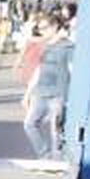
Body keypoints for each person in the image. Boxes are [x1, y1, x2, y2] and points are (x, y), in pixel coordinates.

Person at [22, 12, 74, 160]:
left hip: (58, 92)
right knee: (29, 124)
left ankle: (57, 161)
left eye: (44, 28)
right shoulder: (44, 46)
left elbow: (73, 68)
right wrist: (27, 94)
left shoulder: (68, 46)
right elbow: (39, 70)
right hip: (40, 92)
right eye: (39, 29)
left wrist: (71, 95)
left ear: (55, 26)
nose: (42, 32)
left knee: (56, 131)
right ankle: (44, 156)